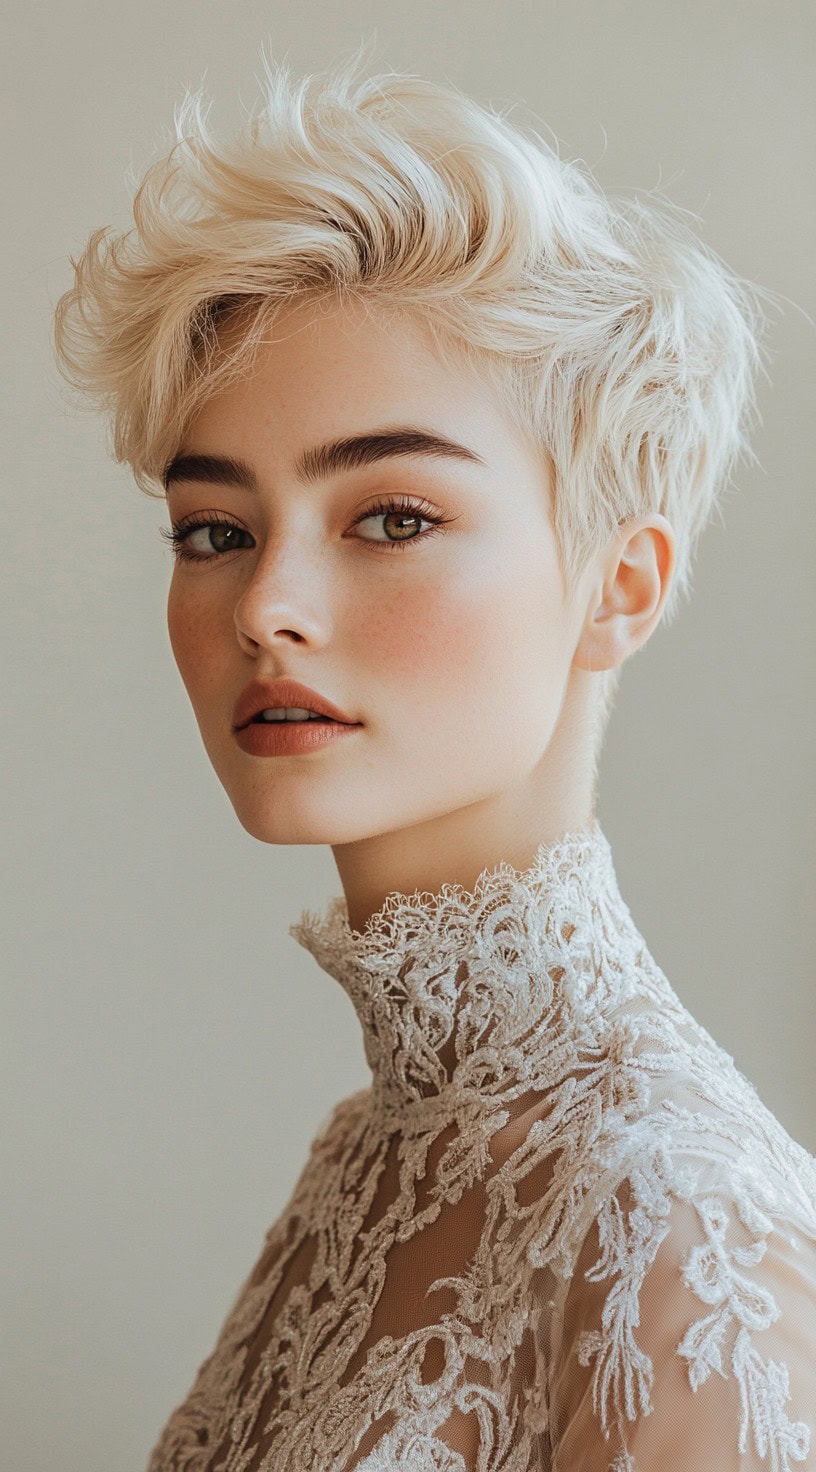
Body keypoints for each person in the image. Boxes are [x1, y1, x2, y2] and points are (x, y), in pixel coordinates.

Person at [53, 46, 816, 1472]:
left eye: (390, 516)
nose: (265, 603)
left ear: (620, 586)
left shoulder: (684, 1224)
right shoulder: (373, 1155)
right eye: (216, 529)